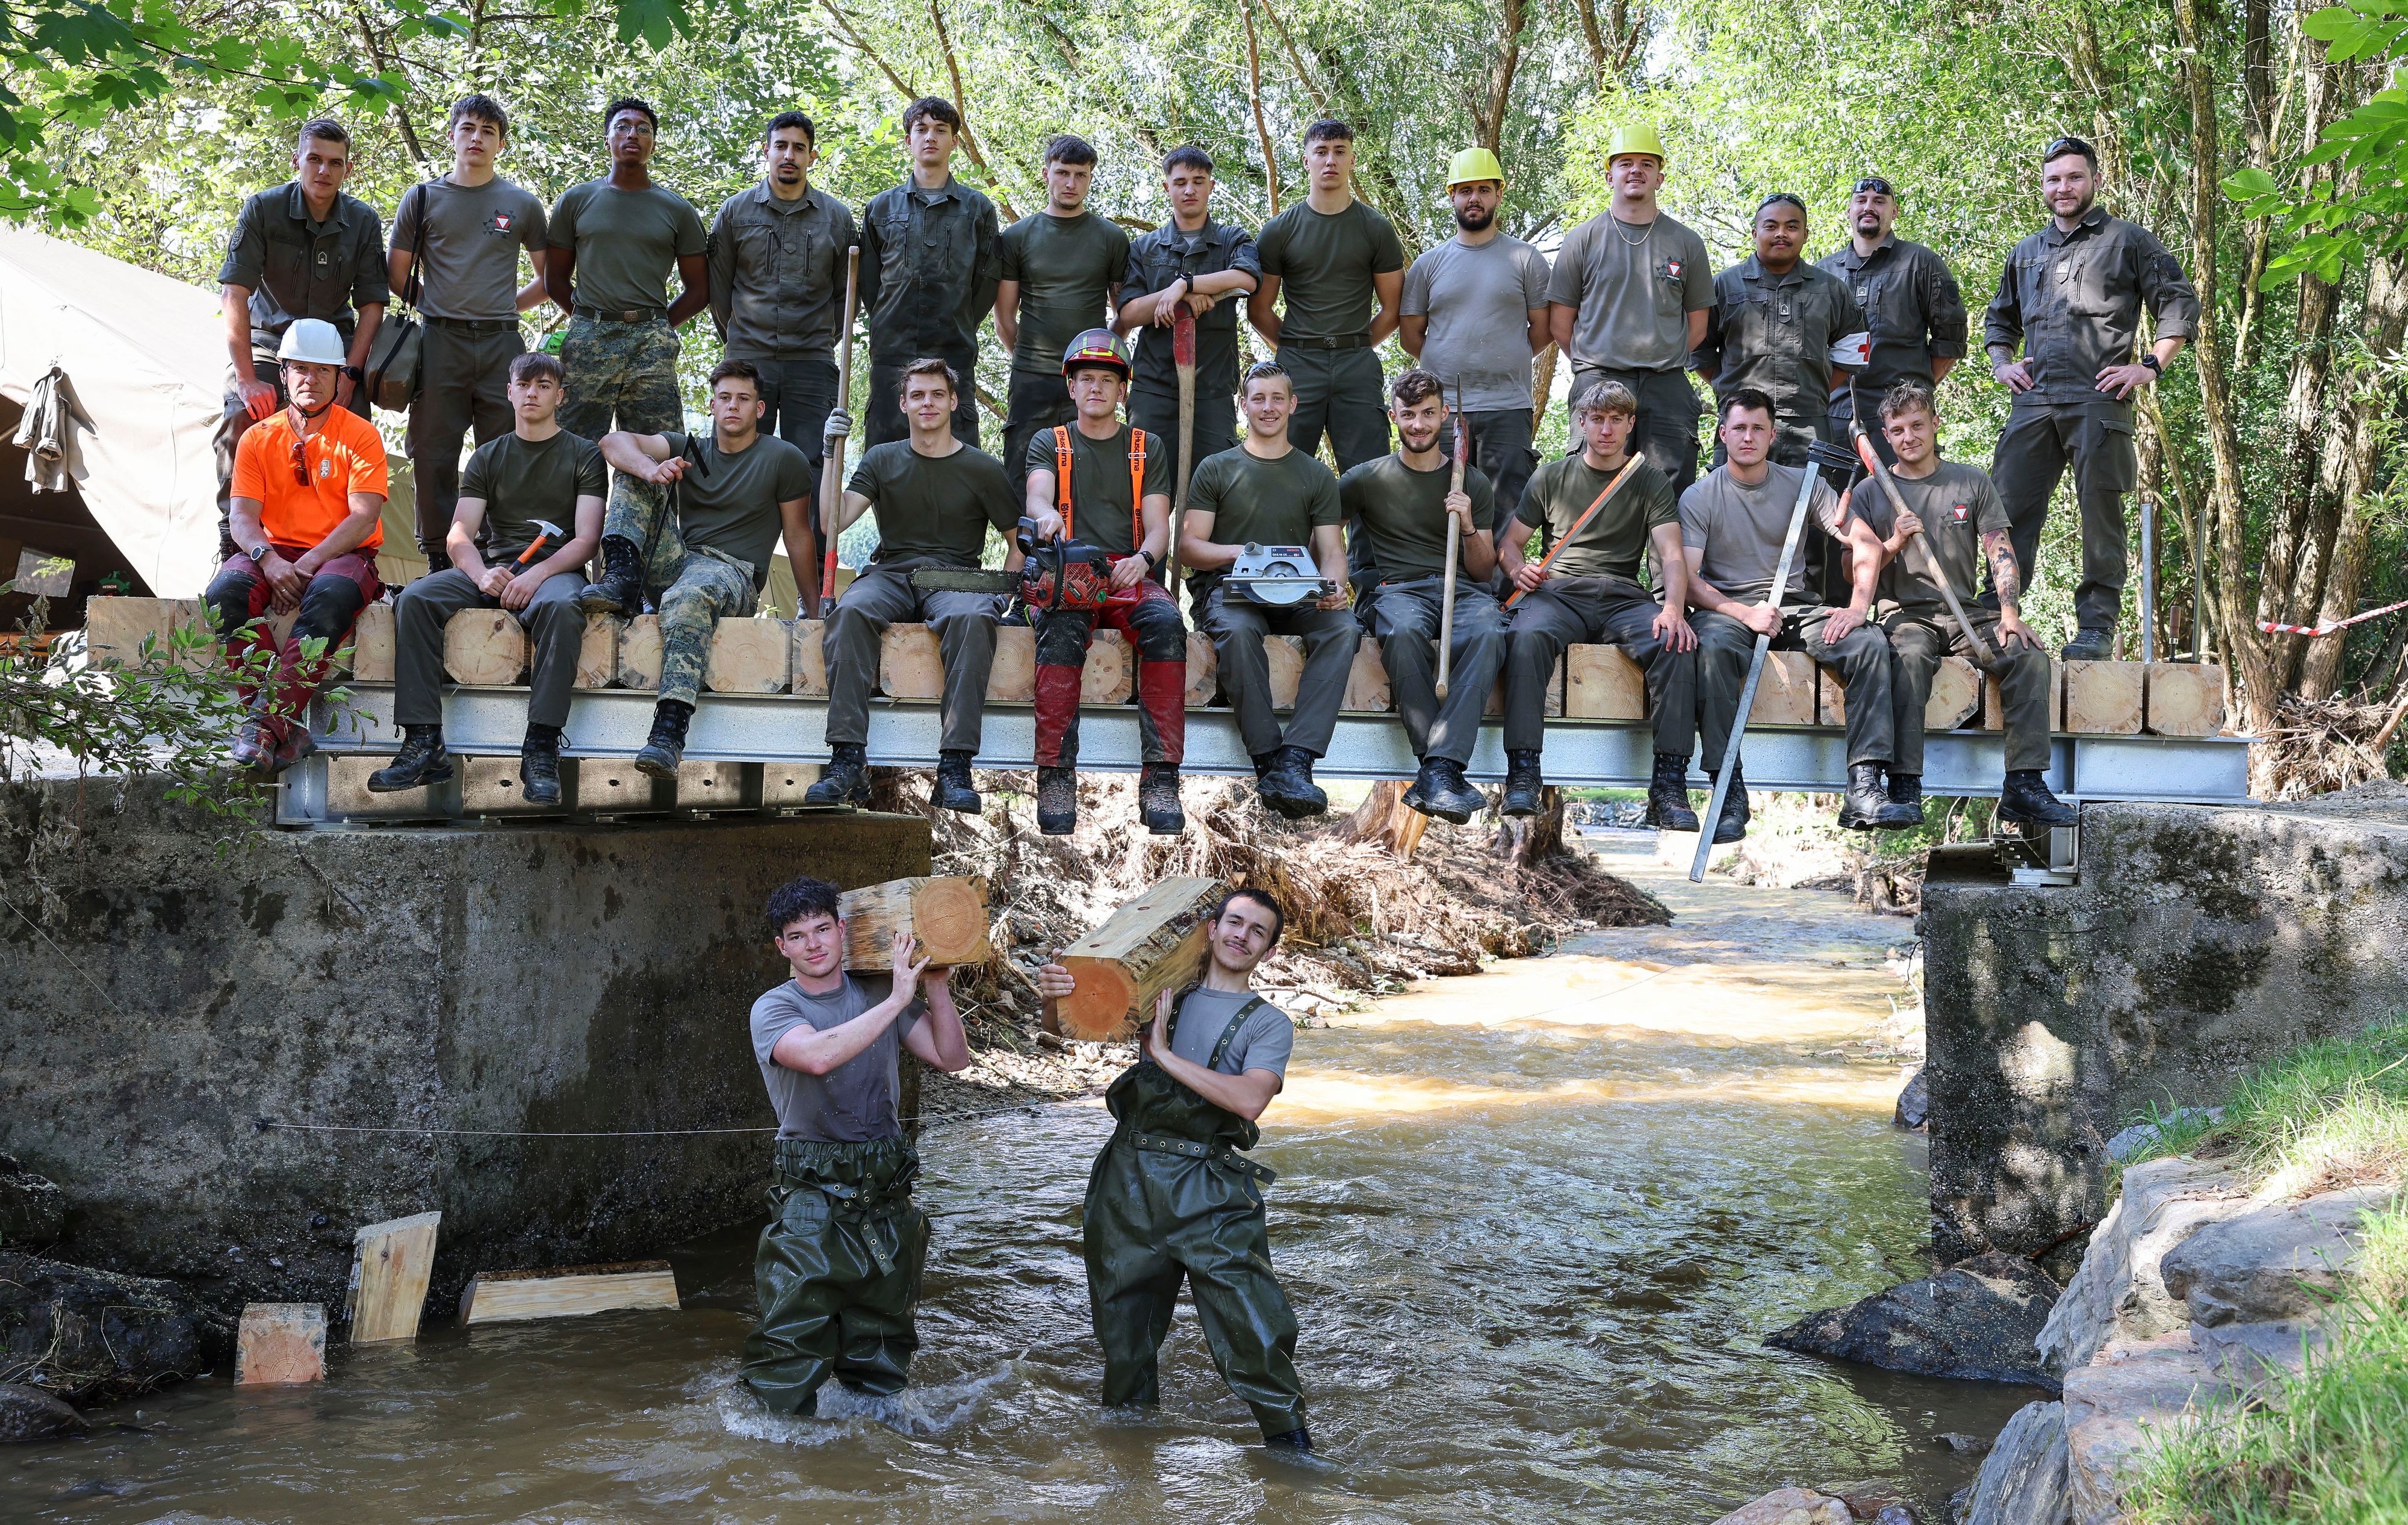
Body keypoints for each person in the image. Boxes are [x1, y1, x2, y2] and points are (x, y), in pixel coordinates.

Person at [1032, 887, 1310, 1452]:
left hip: (1210, 1186)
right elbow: (1062, 1033)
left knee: (1252, 1324)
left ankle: (1294, 1457)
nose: (1242, 935)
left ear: (1270, 951)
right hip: (1127, 1180)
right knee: (1124, 1335)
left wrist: (1163, 1056)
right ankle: (1131, 1471)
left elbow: (1249, 1100)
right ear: (1211, 928)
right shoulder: (1158, 991)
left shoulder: (1269, 1023)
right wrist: (1052, 996)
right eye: (1234, 922)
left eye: (1258, 931)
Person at [739, 875, 969, 1418]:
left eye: (823, 929)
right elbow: (817, 1055)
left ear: (843, 930)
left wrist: (934, 985)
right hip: (812, 1187)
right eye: (798, 936)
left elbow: (951, 1058)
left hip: (885, 1183)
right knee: (791, 1335)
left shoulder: (876, 993)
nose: (814, 944)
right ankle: (780, 1457)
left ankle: (874, 1451)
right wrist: (897, 999)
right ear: (782, 947)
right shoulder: (773, 1007)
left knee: (883, 1338)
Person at [1984, 135, 2199, 659]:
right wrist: (2002, 364)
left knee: (2100, 514)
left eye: (2074, 177)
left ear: (2095, 180)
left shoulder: (2126, 241)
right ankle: (1994, 611)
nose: (2064, 188)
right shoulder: (2027, 252)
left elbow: (2179, 301)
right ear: (2043, 186)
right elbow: (1999, 319)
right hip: (2033, 402)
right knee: (2006, 510)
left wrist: (2149, 366)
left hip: (2098, 400)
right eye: (2054, 179)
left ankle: (2096, 627)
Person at [1683, 389, 1920, 839]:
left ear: (1772, 435)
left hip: (1794, 607)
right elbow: (1690, 581)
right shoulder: (1700, 496)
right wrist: (1745, 613)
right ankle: (1728, 792)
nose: (1748, 437)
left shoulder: (1804, 483)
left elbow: (1866, 543)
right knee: (1710, 650)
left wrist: (1856, 608)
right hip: (1728, 610)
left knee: (1869, 642)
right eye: (1739, 428)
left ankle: (1864, 788)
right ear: (1723, 434)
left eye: (1758, 429)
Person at [368, 352, 603, 805]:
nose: (533, 392)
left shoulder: (583, 454)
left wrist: (537, 574)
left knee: (561, 607)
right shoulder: (489, 456)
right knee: (416, 598)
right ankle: (423, 743)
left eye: (544, 384)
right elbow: (459, 534)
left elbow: (587, 540)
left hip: (554, 572)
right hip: (495, 568)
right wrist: (480, 573)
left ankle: (541, 748)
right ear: (509, 392)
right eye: (524, 384)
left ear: (561, 395)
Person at [807, 359, 1020, 813]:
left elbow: (1017, 544)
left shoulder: (982, 468)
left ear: (954, 402)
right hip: (892, 572)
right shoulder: (883, 458)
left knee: (973, 616)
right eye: (918, 395)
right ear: (904, 403)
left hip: (956, 578)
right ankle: (847, 759)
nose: (928, 403)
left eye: (937, 395)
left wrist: (1003, 593)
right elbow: (833, 520)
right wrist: (829, 453)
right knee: (849, 611)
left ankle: (955, 767)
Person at [1864, 382, 2078, 830]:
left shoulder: (1969, 481)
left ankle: (2024, 784)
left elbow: (2000, 548)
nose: (1909, 437)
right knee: (1908, 657)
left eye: (1918, 425)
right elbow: (1855, 571)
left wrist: (2009, 614)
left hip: (1965, 613)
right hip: (1905, 615)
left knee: (2028, 656)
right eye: (1898, 430)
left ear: (1936, 424)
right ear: (1886, 435)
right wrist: (1895, 540)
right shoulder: (1872, 491)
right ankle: (1904, 785)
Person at [589, 360, 816, 775]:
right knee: (633, 468)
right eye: (725, 398)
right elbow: (613, 441)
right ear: (712, 405)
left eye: (744, 399)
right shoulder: (689, 447)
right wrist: (652, 469)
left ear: (760, 409)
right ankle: (620, 579)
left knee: (688, 595)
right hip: (677, 561)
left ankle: (669, 733)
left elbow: (799, 535)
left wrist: (815, 610)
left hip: (733, 574)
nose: (733, 406)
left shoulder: (783, 458)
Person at [1497, 380, 1699, 829]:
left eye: (1616, 420)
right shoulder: (1550, 476)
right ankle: (1524, 772)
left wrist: (1672, 609)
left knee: (1675, 642)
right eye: (1597, 420)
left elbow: (1671, 554)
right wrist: (1517, 570)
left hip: (1623, 596)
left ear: (1630, 425)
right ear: (1582, 423)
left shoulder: (1648, 479)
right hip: (1560, 592)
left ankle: (1668, 786)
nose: (1606, 430)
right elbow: (1511, 544)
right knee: (1525, 635)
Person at [1022, 330, 1185, 836]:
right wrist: (1047, 517)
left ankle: (1161, 775)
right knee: (1062, 628)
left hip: (1127, 571)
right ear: (1071, 387)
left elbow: (1159, 523)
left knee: (1166, 624)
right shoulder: (1050, 441)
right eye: (1086, 378)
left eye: (1107, 380)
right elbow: (1037, 495)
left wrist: (1144, 557)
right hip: (1071, 569)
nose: (1096, 387)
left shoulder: (1146, 447)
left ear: (1122, 390)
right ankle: (1054, 774)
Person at [1177, 361, 1358, 819]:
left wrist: (1336, 585)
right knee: (1236, 633)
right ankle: (1267, 760)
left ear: (1293, 405)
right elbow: (1190, 547)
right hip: (1231, 589)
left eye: (1278, 398)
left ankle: (1297, 760)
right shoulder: (1217, 468)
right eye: (1258, 398)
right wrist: (1243, 553)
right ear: (1244, 406)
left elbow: (1331, 550)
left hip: (1296, 591)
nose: (1268, 407)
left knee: (1343, 627)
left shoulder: (1316, 475)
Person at [206, 319, 388, 772]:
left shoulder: (361, 435)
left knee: (333, 596)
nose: (311, 379)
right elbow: (243, 517)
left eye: (323, 370)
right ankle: (284, 727)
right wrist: (267, 559)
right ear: (283, 374)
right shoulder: (257, 436)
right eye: (301, 369)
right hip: (272, 551)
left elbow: (364, 515)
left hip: (340, 555)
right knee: (223, 594)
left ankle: (262, 725)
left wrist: (305, 563)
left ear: (338, 377)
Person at [388, 93, 551, 571]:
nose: (476, 138)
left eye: (487, 131)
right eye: (468, 129)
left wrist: (504, 307)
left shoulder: (520, 204)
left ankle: (502, 552)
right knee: (433, 449)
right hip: (440, 341)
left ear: (500, 144)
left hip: (503, 343)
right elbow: (396, 273)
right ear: (453, 135)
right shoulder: (422, 198)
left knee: (507, 447)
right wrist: (439, 307)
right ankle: (440, 556)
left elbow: (548, 280)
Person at [215, 119, 388, 551]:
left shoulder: (363, 221)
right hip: (270, 345)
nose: (324, 171)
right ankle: (234, 544)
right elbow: (234, 293)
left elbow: (372, 305)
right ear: (297, 160)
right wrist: (247, 376)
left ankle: (348, 552)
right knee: (240, 417)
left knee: (357, 429)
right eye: (314, 159)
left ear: (348, 169)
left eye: (335, 163)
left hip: (334, 353)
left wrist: (351, 372)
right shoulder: (262, 209)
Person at [1337, 368, 1501, 825]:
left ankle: (1437, 768)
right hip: (1396, 590)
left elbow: (1486, 569)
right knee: (1405, 630)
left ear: (1446, 416)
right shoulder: (1365, 479)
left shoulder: (1471, 481)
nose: (1418, 424)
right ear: (1394, 417)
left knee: (1490, 629)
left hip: (1462, 590)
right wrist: (1327, 581)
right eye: (1408, 414)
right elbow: (1320, 530)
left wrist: (1467, 523)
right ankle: (1442, 768)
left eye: (1428, 413)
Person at [1545, 123, 1714, 494]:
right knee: (1589, 490)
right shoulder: (1582, 239)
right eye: (1625, 163)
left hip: (1666, 384)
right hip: (1599, 378)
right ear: (1610, 175)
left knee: (1671, 492)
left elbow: (1698, 326)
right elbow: (1560, 324)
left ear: (1660, 177)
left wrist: (1661, 358)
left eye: (1646, 163)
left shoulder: (1686, 242)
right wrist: (1595, 363)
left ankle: (1666, 556)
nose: (1635, 170)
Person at [544, 97, 710, 443]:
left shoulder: (678, 210)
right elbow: (554, 279)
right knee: (571, 446)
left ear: (653, 143)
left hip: (651, 343)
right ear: (607, 140)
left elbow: (699, 291)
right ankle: (576, 501)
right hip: (589, 337)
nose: (632, 134)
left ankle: (639, 501)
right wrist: (589, 318)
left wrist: (657, 325)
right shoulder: (576, 201)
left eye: (643, 129)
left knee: (659, 448)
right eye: (622, 127)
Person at [1400, 148, 1550, 523]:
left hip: (1508, 407)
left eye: (1484, 189)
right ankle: (1442, 585)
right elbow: (1411, 335)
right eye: (1465, 190)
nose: (1474, 198)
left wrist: (1504, 358)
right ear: (1452, 196)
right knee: (1440, 509)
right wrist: (1448, 364)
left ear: (1499, 195)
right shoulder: (1429, 264)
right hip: (1444, 410)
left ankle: (1502, 586)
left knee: (1506, 513)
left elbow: (1544, 330)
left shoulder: (1526, 259)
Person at [1247, 119, 1404, 475]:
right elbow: (1259, 309)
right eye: (1321, 152)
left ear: (1352, 160)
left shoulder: (1375, 228)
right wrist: (1296, 345)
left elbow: (1392, 308)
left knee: (1371, 476)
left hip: (1357, 365)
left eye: (1339, 152)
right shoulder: (1279, 231)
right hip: (1298, 365)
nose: (1330, 160)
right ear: (1306, 161)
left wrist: (1357, 343)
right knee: (1280, 472)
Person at [706, 111, 859, 473]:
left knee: (812, 470)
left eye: (799, 148)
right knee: (735, 464)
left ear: (812, 156)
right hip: (747, 360)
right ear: (766, 150)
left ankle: (809, 533)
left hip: (812, 363)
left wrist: (820, 338)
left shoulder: (837, 218)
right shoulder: (735, 212)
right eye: (782, 146)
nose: (789, 155)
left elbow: (846, 296)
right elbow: (719, 289)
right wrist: (742, 338)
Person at [1115, 146, 1261, 504]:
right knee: (1141, 493)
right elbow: (1130, 313)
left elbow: (1247, 279)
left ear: (1211, 186)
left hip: (1212, 388)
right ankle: (1145, 562)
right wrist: (1176, 295)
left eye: (1198, 182)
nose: (1189, 190)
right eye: (1180, 182)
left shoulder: (1231, 240)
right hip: (1154, 389)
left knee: (1215, 494)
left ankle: (1210, 563)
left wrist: (1188, 284)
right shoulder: (1144, 248)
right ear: (1167, 188)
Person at [858, 97, 1001, 449]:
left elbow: (986, 282)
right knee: (886, 454)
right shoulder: (881, 208)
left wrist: (962, 317)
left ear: (955, 141)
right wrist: (890, 318)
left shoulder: (977, 208)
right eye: (921, 130)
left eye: (941, 130)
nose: (930, 137)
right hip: (893, 350)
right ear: (908, 140)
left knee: (957, 452)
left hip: (953, 349)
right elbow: (869, 281)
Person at [996, 135, 1130, 495]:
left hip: (1090, 378)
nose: (1071, 183)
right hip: (1031, 377)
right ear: (1046, 174)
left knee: (1086, 481)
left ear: (1090, 178)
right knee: (1022, 480)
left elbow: (1122, 315)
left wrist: (1098, 360)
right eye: (1063, 173)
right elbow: (1005, 319)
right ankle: (1023, 554)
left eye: (1081, 175)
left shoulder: (1112, 238)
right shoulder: (1017, 237)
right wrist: (1032, 359)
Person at [1694, 194, 1869, 468]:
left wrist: (1817, 390)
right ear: (1755, 232)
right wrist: (1726, 387)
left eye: (1792, 226)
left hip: (1810, 426)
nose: (1781, 234)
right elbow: (1698, 348)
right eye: (1771, 226)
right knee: (1736, 504)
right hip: (1743, 425)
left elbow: (1853, 350)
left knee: (1812, 505)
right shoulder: (1724, 287)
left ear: (1806, 234)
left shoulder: (1831, 290)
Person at [1814, 175, 1966, 464]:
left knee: (1904, 504)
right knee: (1833, 505)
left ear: (1894, 212)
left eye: (1879, 202)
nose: (1869, 207)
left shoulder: (1921, 263)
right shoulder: (1823, 272)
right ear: (1849, 211)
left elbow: (1950, 343)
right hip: (1834, 413)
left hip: (1903, 417)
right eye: (1861, 201)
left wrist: (1909, 395)